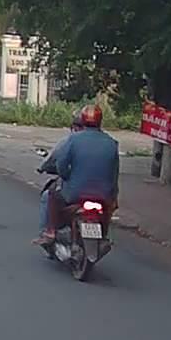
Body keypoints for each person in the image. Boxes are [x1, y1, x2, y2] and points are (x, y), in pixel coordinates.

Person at [35, 104, 120, 245]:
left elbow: (61, 164)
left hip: (76, 192)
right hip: (103, 194)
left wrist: (66, 176)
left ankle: (50, 231)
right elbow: (114, 172)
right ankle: (103, 236)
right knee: (108, 209)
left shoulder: (73, 140)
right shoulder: (111, 143)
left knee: (52, 194)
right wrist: (114, 195)